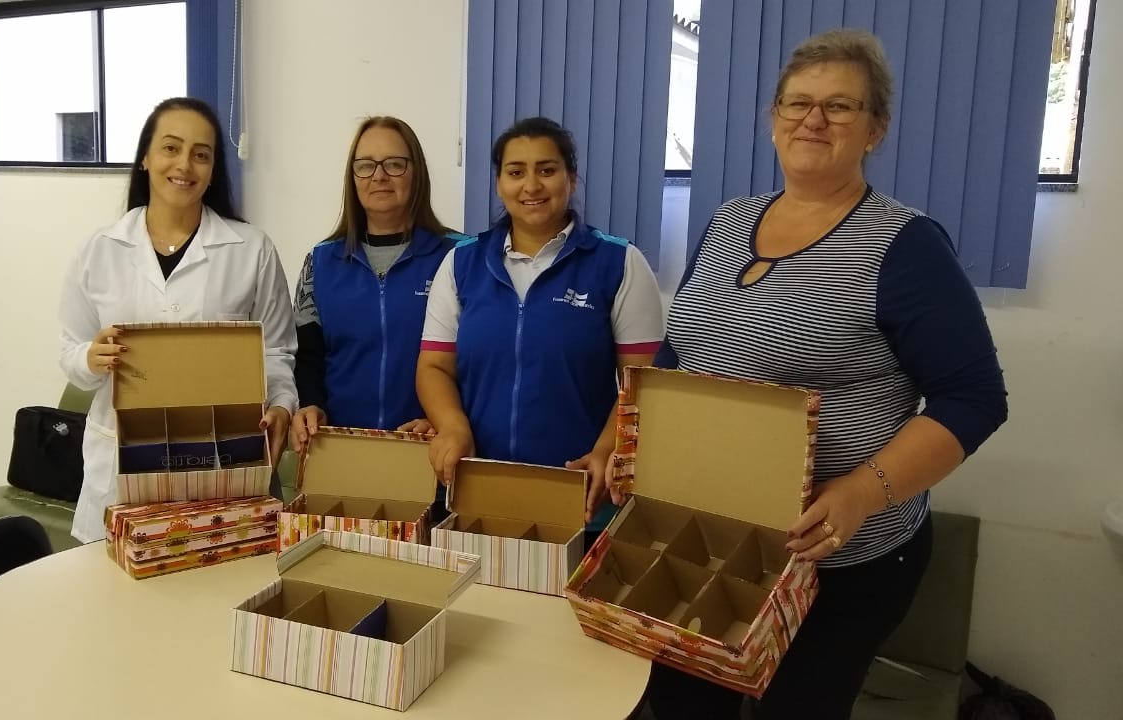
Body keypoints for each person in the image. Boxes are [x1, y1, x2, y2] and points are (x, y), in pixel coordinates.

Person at [625, 29, 1008, 719]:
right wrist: (630, 446)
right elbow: (682, 356)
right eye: (798, 102)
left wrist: (864, 491)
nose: (813, 119)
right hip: (715, 537)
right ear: (773, 118)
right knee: (682, 709)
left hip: (837, 562)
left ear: (875, 130)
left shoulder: (905, 244)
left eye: (840, 107)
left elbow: (973, 399)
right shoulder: (725, 220)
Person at [58, 97, 297, 544]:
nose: (184, 164)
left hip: (224, 461)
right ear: (146, 157)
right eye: (170, 147)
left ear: (212, 170)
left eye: (201, 154)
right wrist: (92, 357)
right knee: (118, 596)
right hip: (121, 465)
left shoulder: (251, 250)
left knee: (214, 588)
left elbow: (277, 350)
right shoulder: (98, 251)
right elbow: (70, 350)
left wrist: (282, 403)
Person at [417, 116, 664, 530]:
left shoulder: (619, 263)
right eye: (516, 172)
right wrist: (453, 428)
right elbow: (434, 367)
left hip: (580, 490)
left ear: (572, 178)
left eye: (546, 170)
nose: (531, 186)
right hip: (477, 484)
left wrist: (607, 449)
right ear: (499, 183)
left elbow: (644, 383)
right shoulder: (463, 262)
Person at [290, 116, 454, 452]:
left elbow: (479, 360)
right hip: (340, 455)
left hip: (428, 453)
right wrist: (309, 404)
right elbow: (306, 357)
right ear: (352, 177)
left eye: (394, 164)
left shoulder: (457, 258)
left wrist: (447, 419)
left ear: (416, 172)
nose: (379, 176)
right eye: (365, 166)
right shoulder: (319, 263)